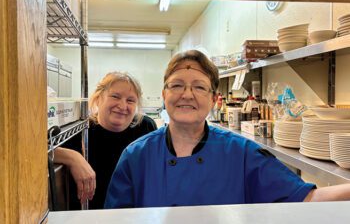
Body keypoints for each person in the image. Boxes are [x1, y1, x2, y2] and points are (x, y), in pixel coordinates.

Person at [104, 50, 350, 209]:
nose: (187, 94)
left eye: (199, 87)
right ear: (164, 95)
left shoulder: (242, 153)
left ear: (213, 99)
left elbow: (304, 198)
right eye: (177, 85)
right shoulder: (135, 156)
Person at [54, 71, 157, 209]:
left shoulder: (145, 127)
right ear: (98, 98)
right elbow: (34, 151)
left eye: (130, 100)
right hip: (88, 215)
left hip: (132, 214)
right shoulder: (79, 130)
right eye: (115, 96)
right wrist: (73, 157)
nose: (122, 106)